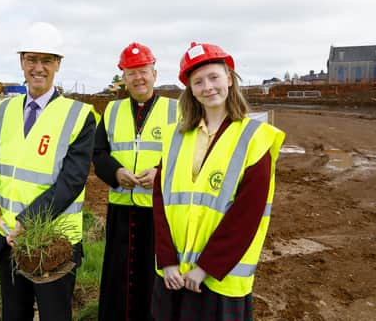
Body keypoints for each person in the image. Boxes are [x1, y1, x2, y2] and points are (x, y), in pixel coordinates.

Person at [151, 42, 285, 320]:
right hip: (175, 275)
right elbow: (161, 201)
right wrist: (166, 261)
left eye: (214, 77)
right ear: (190, 90)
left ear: (229, 78)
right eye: (198, 82)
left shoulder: (255, 138)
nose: (208, 87)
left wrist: (206, 268)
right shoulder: (174, 136)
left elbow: (247, 215)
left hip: (219, 280)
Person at [0, 22, 96, 321]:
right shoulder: (3, 110)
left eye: (47, 60)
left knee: (55, 314)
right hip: (7, 237)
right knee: (14, 313)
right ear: (21, 62)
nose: (38, 67)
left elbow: (71, 182)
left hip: (54, 242)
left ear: (58, 64)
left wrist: (26, 222)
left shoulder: (79, 116)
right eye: (31, 59)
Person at [93, 42, 177, 321]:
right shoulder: (112, 111)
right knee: (118, 275)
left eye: (143, 71)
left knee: (152, 276)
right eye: (131, 72)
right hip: (120, 208)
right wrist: (116, 173)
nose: (138, 78)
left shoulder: (175, 110)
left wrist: (159, 172)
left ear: (155, 73)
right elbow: (98, 152)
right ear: (123, 77)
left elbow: (187, 154)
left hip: (159, 209)